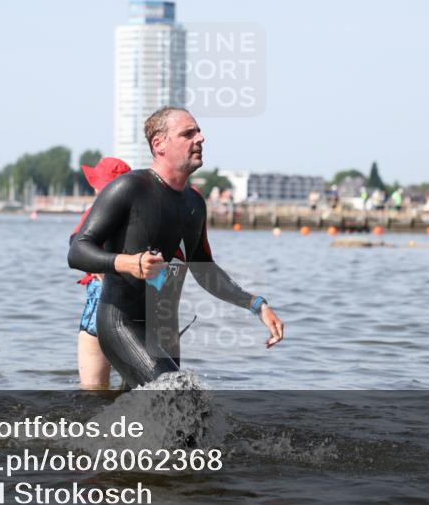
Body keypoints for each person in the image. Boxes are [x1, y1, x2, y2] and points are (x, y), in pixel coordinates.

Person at [68, 106, 285, 389]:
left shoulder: (195, 202)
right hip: (123, 323)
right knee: (182, 400)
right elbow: (78, 250)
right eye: (188, 133)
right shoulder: (129, 188)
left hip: (165, 332)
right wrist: (127, 262)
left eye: (198, 131)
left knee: (159, 422)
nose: (201, 138)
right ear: (159, 144)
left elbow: (205, 270)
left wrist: (256, 304)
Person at [71, 157, 132, 389]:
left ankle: (97, 424)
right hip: (141, 297)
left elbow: (75, 243)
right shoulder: (141, 212)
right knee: (136, 386)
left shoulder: (98, 208)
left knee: (94, 387)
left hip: (103, 294)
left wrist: (96, 265)